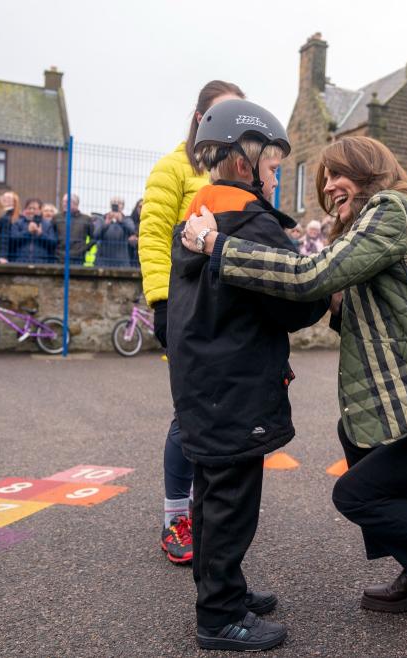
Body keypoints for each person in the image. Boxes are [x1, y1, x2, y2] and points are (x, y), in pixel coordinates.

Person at [184, 135, 407, 650]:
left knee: (356, 492)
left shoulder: (390, 208)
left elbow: (311, 276)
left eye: (340, 173)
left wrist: (216, 245)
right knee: (355, 434)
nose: (330, 185)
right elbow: (356, 310)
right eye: (324, 179)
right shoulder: (372, 232)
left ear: (372, 170)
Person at [169, 99, 329, 652]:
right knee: (233, 500)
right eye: (273, 165)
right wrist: (324, 288)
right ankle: (219, 617)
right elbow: (292, 300)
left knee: (211, 490)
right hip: (237, 381)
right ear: (244, 161)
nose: (277, 176)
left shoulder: (199, 215)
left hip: (203, 378)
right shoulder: (253, 220)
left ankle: (222, 588)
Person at [138, 80, 244, 565]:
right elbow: (155, 237)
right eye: (219, 113)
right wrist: (162, 303)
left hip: (229, 310)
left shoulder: (243, 170)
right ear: (199, 117)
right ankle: (175, 518)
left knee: (221, 414)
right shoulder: (173, 168)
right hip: (185, 307)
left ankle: (206, 518)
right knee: (188, 416)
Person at [10, 197, 57, 263]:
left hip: (42, 262)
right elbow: (12, 239)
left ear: (40, 210)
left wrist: (41, 235)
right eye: (29, 208)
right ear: (25, 210)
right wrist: (27, 232)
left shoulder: (48, 225)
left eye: (34, 209)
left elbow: (53, 243)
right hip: (21, 261)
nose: (31, 211)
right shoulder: (18, 223)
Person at [53, 194, 94, 265]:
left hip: (78, 259)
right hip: (59, 258)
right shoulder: (56, 218)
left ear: (76, 204)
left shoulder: (86, 219)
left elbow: (94, 237)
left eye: (67, 202)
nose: (64, 204)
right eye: (63, 202)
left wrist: (83, 249)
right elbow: (51, 235)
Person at [94, 197, 136, 267]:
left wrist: (121, 221)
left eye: (119, 203)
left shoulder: (127, 219)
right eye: (114, 202)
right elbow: (96, 234)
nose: (116, 204)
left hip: (121, 262)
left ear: (123, 206)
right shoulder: (102, 219)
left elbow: (132, 231)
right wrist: (106, 224)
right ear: (111, 205)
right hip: (103, 261)